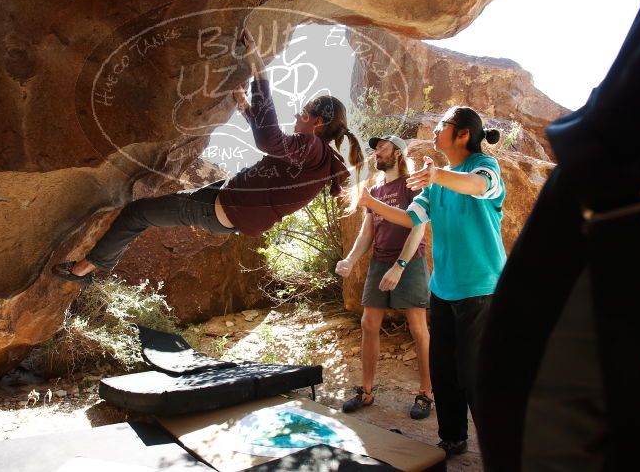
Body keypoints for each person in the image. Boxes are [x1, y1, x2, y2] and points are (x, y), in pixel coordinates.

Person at [53, 28, 365, 283]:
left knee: (137, 214)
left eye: (303, 111)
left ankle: (83, 271)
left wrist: (259, 68)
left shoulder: (311, 148)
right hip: (223, 201)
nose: (298, 115)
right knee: (146, 213)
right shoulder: (316, 157)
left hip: (220, 209)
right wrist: (244, 105)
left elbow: (270, 140)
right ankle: (91, 266)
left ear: (318, 122)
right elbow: (272, 141)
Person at [357, 106, 505, 457]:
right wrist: (370, 203)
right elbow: (411, 218)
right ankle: (453, 438)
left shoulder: (484, 168)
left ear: (463, 134)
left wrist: (437, 175)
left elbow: (477, 186)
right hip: (443, 289)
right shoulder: (437, 181)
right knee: (444, 371)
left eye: (443, 125)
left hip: (481, 290)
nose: (436, 129)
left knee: (476, 376)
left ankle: (501, 451)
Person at [335, 135, 433, 420]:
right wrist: (351, 260)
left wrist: (400, 265)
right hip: (380, 260)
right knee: (368, 322)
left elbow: (418, 228)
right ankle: (366, 390)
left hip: (410, 261)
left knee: (417, 326)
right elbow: (368, 231)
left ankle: (426, 393)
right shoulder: (375, 189)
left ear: (398, 154)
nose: (376, 152)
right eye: (375, 148)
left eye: (382, 148)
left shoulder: (412, 183)